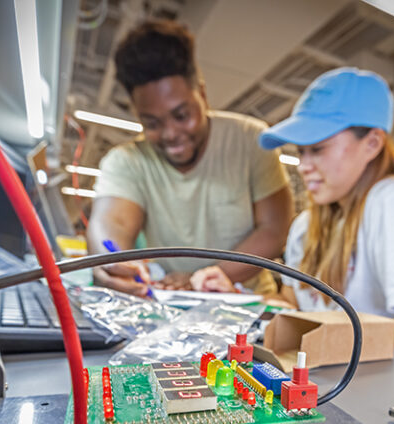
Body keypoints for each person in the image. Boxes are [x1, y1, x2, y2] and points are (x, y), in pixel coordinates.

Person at [192, 68, 394, 362]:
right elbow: (293, 304)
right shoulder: (305, 225)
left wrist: (322, 332)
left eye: (318, 149)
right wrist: (239, 298)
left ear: (372, 143)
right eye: (301, 151)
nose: (303, 165)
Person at [86, 20, 293, 297]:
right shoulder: (126, 161)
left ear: (203, 95)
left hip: (245, 305)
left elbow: (274, 229)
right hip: (170, 303)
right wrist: (110, 260)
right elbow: (111, 224)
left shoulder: (250, 139)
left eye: (181, 115)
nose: (171, 134)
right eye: (152, 123)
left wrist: (203, 278)